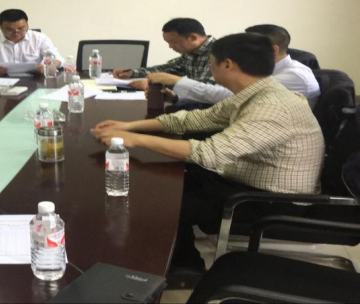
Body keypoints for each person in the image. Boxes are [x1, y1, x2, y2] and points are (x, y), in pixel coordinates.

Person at [92, 33, 324, 286]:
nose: (209, 68)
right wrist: (130, 126)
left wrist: (135, 139)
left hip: (271, 199)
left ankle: (186, 269)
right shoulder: (256, 92)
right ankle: (176, 258)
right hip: (245, 177)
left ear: (227, 64)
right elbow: (195, 119)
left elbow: (210, 154)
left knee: (160, 205)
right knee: (159, 184)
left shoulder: (272, 106)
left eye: (211, 62)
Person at [148, 24, 321, 107]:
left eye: (248, 46)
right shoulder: (260, 70)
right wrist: (176, 98)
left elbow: (228, 96)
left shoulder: (295, 76)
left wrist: (177, 81)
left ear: (273, 50)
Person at [113, 18, 216, 91]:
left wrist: (156, 85)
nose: (170, 47)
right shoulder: (190, 53)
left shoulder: (219, 53)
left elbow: (208, 89)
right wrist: (132, 73)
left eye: (174, 42)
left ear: (193, 38)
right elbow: (167, 68)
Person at [0, 9, 63, 76]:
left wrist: (47, 67)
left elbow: (58, 59)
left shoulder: (39, 38)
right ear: (0, 27)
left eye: (21, 28)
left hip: (36, 79)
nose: (16, 32)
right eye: (10, 30)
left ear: (27, 24)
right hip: (3, 80)